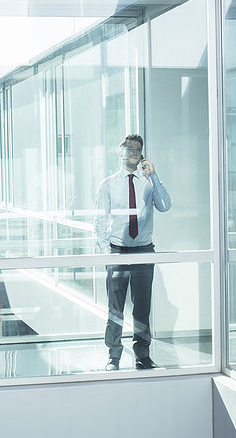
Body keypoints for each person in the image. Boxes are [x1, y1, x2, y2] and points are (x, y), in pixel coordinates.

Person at [94, 133, 172, 371]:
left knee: (142, 307)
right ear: (120, 152)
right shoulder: (107, 184)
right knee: (115, 307)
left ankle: (142, 355)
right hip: (118, 251)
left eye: (137, 150)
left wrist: (154, 175)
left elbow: (165, 206)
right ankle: (113, 355)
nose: (133, 152)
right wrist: (108, 253)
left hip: (144, 251)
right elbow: (99, 223)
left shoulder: (148, 182)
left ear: (141, 156)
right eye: (128, 148)